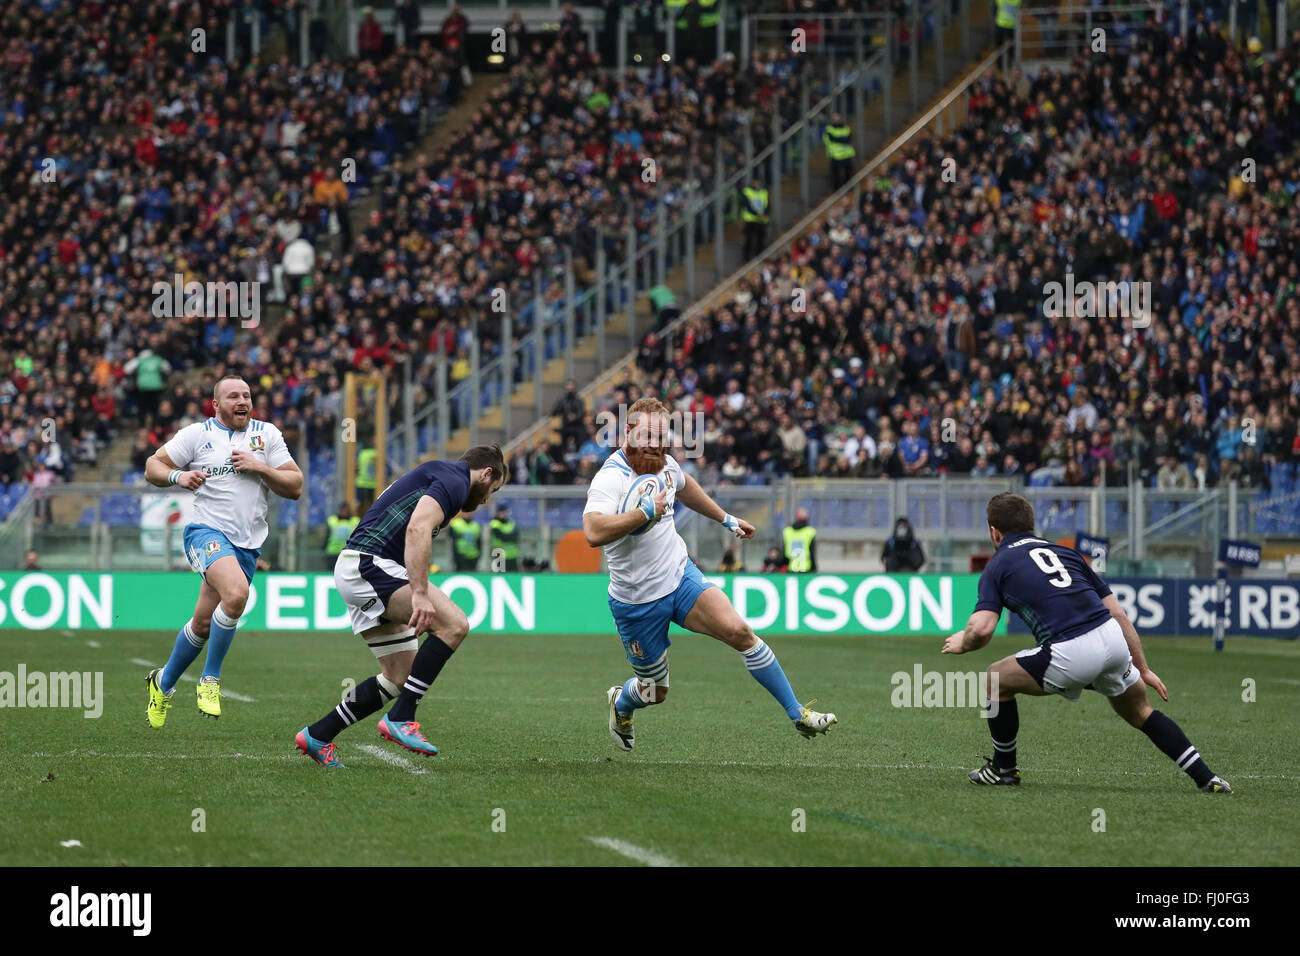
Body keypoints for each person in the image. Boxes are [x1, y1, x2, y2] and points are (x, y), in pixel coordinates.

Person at [583, 398, 836, 752]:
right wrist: (644, 513)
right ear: (627, 431)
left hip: (679, 575)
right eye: (648, 435)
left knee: (739, 631)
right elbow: (593, 533)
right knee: (655, 691)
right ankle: (621, 703)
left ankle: (798, 714)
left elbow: (684, 484)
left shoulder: (664, 464)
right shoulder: (611, 478)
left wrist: (726, 519)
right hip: (636, 601)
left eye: (661, 436)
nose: (656, 443)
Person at [943, 493, 1231, 793]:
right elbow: (1117, 613)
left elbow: (983, 628)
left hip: (1071, 651)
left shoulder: (998, 564)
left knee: (993, 679)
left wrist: (965, 641)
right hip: (1112, 640)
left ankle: (1003, 769)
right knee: (1140, 712)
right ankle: (1207, 778)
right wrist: (1143, 668)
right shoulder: (1066, 554)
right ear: (1031, 524)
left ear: (994, 531)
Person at [295, 445, 507, 767]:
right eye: (492, 491)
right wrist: (419, 593)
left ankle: (318, 735)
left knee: (400, 676)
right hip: (370, 564)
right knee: (454, 624)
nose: (486, 499)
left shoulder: (442, 475)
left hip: (362, 566)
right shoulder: (455, 481)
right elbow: (417, 528)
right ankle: (402, 717)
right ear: (486, 473)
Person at [144, 376, 304, 727]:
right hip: (205, 533)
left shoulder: (267, 436)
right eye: (233, 396)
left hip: (247, 545)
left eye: (246, 395)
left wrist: (260, 466)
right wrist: (178, 478)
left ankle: (163, 683)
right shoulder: (197, 435)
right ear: (216, 404)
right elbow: (153, 466)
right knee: (237, 593)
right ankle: (210, 680)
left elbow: (295, 486)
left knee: (203, 623)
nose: (242, 400)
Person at [823, 113, 855, 191]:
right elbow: (828, 140)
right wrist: (842, 139)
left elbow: (848, 139)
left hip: (847, 155)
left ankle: (848, 188)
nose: (837, 119)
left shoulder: (846, 128)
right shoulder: (829, 129)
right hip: (835, 156)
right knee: (835, 175)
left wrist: (837, 139)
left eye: (838, 118)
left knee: (848, 173)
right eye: (835, 118)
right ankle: (836, 190)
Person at [741, 176, 769, 261]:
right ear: (752, 182)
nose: (757, 183)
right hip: (750, 220)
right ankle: (747, 259)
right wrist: (757, 213)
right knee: (749, 240)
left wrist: (764, 213)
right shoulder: (747, 191)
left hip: (761, 220)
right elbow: (747, 205)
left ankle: (759, 257)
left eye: (758, 181)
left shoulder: (764, 192)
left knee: (760, 240)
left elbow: (768, 205)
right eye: (755, 181)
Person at [781, 507, 817, 573]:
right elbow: (812, 551)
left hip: (790, 567)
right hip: (806, 567)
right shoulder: (810, 531)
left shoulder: (787, 531)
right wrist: (814, 567)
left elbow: (784, 551)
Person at [489, 504, 520, 571]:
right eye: (501, 512)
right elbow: (502, 537)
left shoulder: (511, 522)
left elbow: (516, 535)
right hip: (499, 555)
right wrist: (510, 537)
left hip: (512, 554)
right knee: (500, 576)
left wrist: (508, 537)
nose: (503, 514)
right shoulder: (494, 523)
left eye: (504, 512)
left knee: (513, 575)